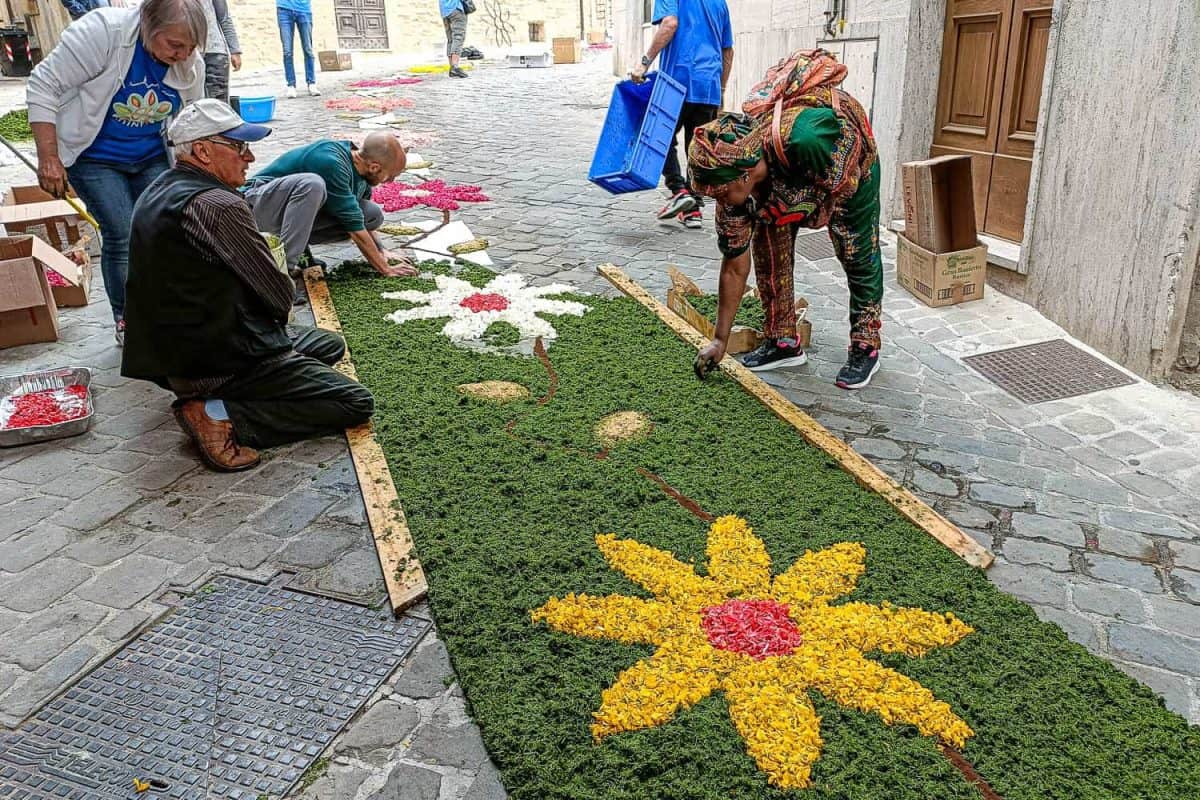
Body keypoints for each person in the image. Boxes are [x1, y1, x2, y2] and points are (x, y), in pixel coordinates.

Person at [122, 99, 375, 472]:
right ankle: (218, 413)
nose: (250, 157)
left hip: (176, 349)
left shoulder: (162, 186)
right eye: (239, 147)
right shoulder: (218, 204)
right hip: (216, 355)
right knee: (353, 402)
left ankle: (232, 392)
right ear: (203, 151)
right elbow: (278, 295)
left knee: (328, 345)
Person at [690, 49, 884, 389]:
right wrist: (720, 340)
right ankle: (783, 341)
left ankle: (865, 344)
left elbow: (844, 174)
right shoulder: (734, 191)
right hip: (786, 187)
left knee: (855, 249)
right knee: (768, 246)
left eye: (719, 193)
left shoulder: (805, 139)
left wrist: (801, 205)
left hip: (849, 171)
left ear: (744, 176)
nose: (717, 202)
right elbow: (735, 266)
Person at [27, 0, 206, 346]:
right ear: (149, 26)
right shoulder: (103, 32)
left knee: (162, 229)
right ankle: (128, 320)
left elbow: (195, 117)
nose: (184, 55)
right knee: (123, 233)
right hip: (95, 157)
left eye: (191, 47)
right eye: (175, 45)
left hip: (151, 154)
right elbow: (42, 86)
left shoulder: (188, 60)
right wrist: (49, 157)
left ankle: (166, 309)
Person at [243, 133, 416, 279]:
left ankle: (300, 255)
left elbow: (358, 220)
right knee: (312, 185)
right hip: (252, 208)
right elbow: (356, 230)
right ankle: (280, 274)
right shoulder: (331, 162)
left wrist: (382, 251)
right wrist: (386, 270)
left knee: (371, 214)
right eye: (390, 176)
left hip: (284, 215)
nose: (391, 181)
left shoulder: (362, 174)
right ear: (374, 167)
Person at [631, 0, 733, 230]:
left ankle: (679, 191)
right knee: (697, 148)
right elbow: (728, 50)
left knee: (657, 135)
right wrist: (721, 90)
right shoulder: (720, 3)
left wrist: (644, 63)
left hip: (677, 81)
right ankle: (693, 210)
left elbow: (669, 24)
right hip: (708, 84)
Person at [201, 0, 241, 103]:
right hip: (185, 55)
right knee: (191, 105)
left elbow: (224, 17)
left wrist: (234, 50)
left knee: (218, 104)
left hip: (215, 51)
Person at [277, 0, 318, 97]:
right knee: (287, 51)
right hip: (284, 9)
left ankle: (311, 83)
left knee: (308, 49)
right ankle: (291, 85)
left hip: (304, 9)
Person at [440, 0, 469, 79]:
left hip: (444, 11)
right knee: (458, 37)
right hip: (456, 8)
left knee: (451, 39)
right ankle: (455, 67)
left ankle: (452, 68)